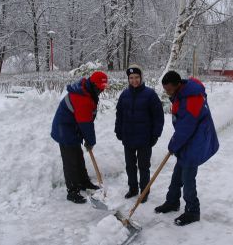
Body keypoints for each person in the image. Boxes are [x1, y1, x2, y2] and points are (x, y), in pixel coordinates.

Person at [155, 71, 219, 226]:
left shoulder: (192, 99)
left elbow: (186, 127)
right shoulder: (182, 93)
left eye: (169, 89)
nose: (167, 92)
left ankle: (193, 211)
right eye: (165, 89)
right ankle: (172, 202)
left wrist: (173, 145)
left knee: (188, 179)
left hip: (195, 142)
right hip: (187, 141)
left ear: (178, 85)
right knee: (177, 175)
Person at [51, 71, 108, 204]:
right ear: (93, 84)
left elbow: (85, 120)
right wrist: (90, 141)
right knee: (70, 160)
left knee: (78, 157)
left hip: (73, 127)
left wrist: (88, 139)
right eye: (100, 87)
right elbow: (85, 123)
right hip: (64, 130)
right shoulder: (82, 98)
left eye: (103, 87)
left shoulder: (87, 92)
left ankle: (84, 182)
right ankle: (72, 191)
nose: (101, 90)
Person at [115, 64, 164, 203]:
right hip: (128, 137)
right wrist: (118, 130)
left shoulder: (150, 94)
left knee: (144, 166)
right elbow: (119, 115)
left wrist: (155, 134)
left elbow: (158, 117)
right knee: (130, 165)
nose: (134, 80)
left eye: (136, 77)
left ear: (141, 77)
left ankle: (144, 191)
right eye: (131, 78)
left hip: (144, 138)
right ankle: (133, 188)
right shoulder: (124, 95)